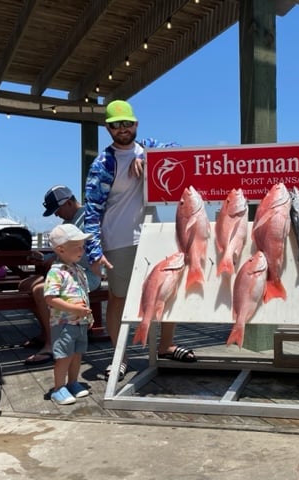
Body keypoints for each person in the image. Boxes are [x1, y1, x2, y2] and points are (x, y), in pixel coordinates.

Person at [84, 99, 196, 382]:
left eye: (126, 123)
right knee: (118, 298)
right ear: (108, 128)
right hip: (118, 240)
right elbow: (92, 209)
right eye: (115, 125)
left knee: (168, 290)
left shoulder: (149, 147)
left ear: (136, 124)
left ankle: (166, 345)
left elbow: (181, 151)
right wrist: (94, 251)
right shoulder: (102, 163)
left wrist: (148, 159)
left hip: (154, 235)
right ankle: (119, 356)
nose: (122, 129)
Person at [23, 185, 102, 366]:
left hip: (85, 274)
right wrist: (46, 258)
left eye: (57, 210)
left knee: (40, 290)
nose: (56, 215)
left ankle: (51, 344)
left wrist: (54, 259)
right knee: (26, 285)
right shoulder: (69, 222)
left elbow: (83, 256)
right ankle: (47, 330)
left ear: (68, 203)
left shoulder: (88, 219)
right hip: (68, 272)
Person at [44, 223, 93, 405]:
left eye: (83, 246)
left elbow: (83, 294)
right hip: (64, 323)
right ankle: (58, 388)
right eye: (77, 247)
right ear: (61, 249)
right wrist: (74, 310)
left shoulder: (78, 270)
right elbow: (50, 298)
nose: (82, 250)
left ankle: (72, 382)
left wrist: (87, 315)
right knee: (64, 356)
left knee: (77, 353)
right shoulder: (56, 272)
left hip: (79, 322)